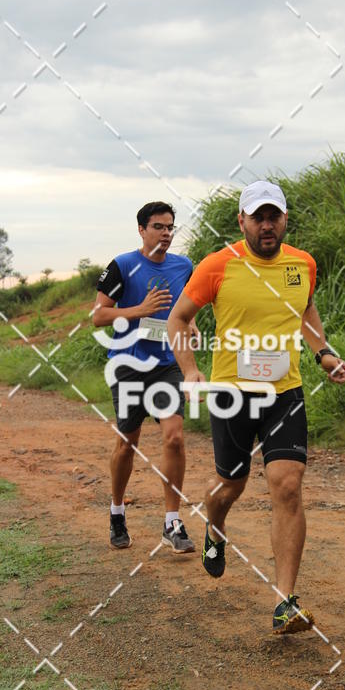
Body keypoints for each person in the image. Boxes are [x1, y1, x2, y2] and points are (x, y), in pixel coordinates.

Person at [168, 180, 345, 634]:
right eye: (258, 217)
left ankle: (285, 601)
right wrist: (190, 370)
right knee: (230, 485)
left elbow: (306, 313)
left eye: (274, 217)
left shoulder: (303, 264)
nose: (267, 225)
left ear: (285, 219)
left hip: (284, 392)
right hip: (232, 391)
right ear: (242, 221)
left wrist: (323, 353)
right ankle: (215, 527)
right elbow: (178, 318)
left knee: (287, 484)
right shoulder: (218, 266)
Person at [94, 201, 197, 554]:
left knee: (175, 438)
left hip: (167, 363)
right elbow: (98, 316)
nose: (166, 233)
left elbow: (185, 308)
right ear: (141, 229)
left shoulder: (183, 266)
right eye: (158, 227)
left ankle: (172, 521)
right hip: (128, 364)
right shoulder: (123, 265)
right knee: (128, 442)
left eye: (170, 227)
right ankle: (117, 511)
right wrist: (141, 311)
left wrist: (192, 325)